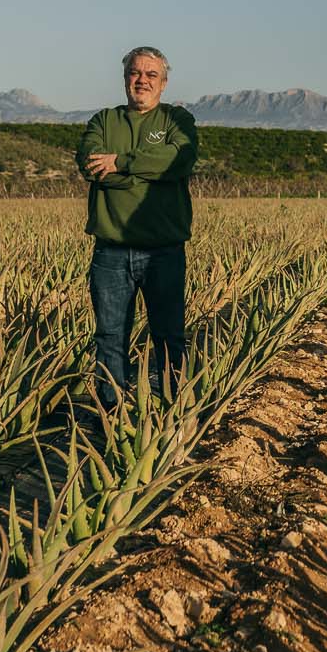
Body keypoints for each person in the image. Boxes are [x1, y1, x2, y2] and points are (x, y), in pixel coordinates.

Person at [77, 47, 199, 403]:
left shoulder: (177, 120)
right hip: (111, 252)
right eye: (135, 73)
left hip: (163, 251)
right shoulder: (104, 121)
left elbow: (180, 160)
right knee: (110, 338)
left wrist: (122, 163)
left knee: (168, 337)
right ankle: (109, 415)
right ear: (125, 77)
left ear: (163, 82)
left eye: (150, 75)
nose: (141, 80)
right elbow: (91, 167)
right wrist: (147, 174)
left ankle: (173, 410)